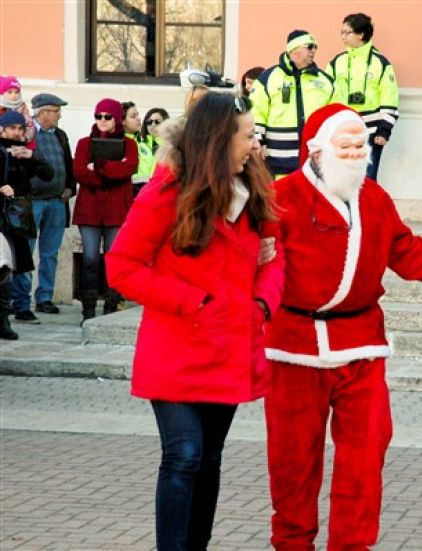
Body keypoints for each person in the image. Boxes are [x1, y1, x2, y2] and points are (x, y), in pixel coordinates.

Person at [262, 103, 422, 549]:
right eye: (344, 145)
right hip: (293, 348)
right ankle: (292, 542)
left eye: (360, 145)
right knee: (293, 459)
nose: (355, 153)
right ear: (315, 151)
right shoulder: (282, 198)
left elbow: (408, 251)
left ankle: (352, 545)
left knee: (366, 453)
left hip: (360, 344)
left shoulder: (374, 198)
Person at [106, 92, 283, 551]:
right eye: (247, 136)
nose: (255, 144)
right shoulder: (167, 192)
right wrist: (193, 301)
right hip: (176, 349)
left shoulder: (255, 189)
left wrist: (262, 305)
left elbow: (273, 257)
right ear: (220, 140)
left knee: (209, 459)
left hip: (230, 347)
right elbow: (122, 266)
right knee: (183, 455)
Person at [72, 98, 138, 324]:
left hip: (117, 210)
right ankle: (88, 311)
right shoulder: (84, 143)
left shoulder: (129, 144)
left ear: (116, 118)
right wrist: (111, 173)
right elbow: (80, 172)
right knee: (90, 258)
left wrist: (99, 167)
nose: (102, 120)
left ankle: (111, 308)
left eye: (107, 116)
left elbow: (129, 168)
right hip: (89, 209)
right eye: (98, 116)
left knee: (114, 259)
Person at [10, 93, 74, 322]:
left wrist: (69, 188)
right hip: (32, 201)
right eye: (56, 111)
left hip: (57, 201)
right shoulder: (27, 134)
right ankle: (21, 301)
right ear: (43, 112)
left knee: (50, 253)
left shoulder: (61, 135)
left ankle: (45, 297)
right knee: (26, 252)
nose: (59, 115)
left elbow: (67, 163)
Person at [249, 30, 334, 178]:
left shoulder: (325, 81)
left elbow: (335, 115)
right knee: (280, 198)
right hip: (278, 159)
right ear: (294, 50)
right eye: (309, 46)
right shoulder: (268, 78)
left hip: (314, 157)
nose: (313, 51)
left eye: (315, 47)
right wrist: (257, 140)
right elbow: (256, 112)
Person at [326, 12, 399, 180]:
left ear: (361, 35)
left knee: (367, 182)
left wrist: (384, 130)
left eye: (347, 32)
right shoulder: (337, 62)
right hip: (342, 132)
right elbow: (327, 97)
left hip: (371, 134)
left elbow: (390, 98)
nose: (343, 37)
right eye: (341, 32)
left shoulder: (380, 63)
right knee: (342, 180)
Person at [0, 111, 53, 339]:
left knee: (20, 264)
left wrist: (32, 156)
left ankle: (17, 309)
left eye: (20, 129)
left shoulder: (23, 152)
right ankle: (4, 317)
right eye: (12, 128)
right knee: (3, 266)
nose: (17, 132)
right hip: (1, 216)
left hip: (18, 216)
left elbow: (48, 173)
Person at [122, 101, 156, 196]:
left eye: (138, 115)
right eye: (133, 116)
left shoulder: (143, 142)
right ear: (123, 121)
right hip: (132, 191)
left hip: (150, 189)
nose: (138, 119)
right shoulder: (120, 143)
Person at [0, 76, 35, 148]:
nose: (14, 95)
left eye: (17, 92)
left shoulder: (22, 107)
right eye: (10, 92)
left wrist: (25, 138)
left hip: (18, 143)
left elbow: (29, 124)